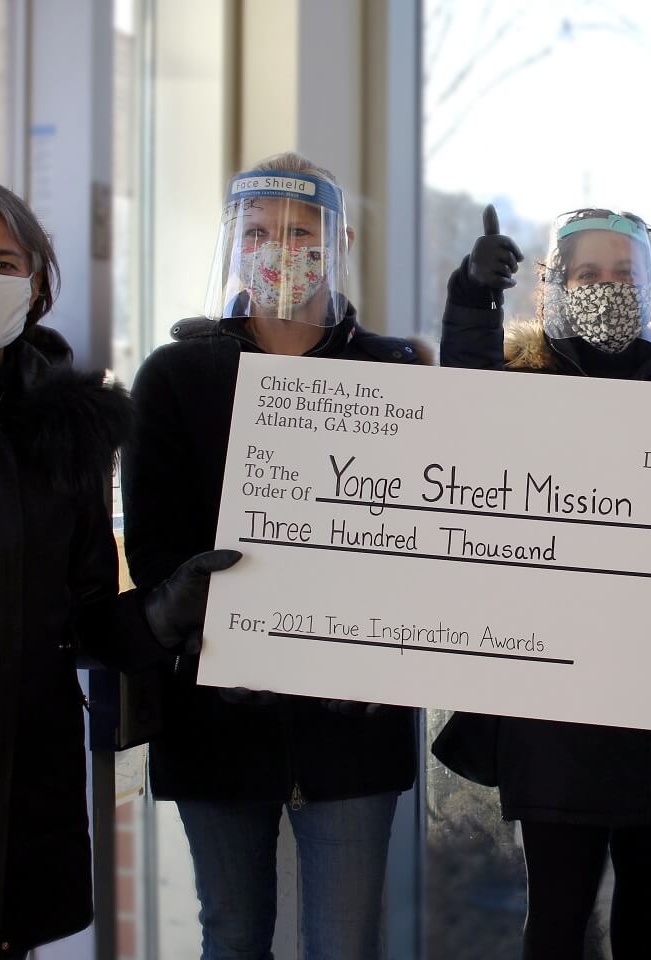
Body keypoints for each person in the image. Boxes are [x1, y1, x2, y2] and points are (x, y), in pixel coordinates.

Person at [0, 177, 231, 960]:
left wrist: (164, 612)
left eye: (2, 261)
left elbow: (86, 617)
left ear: (35, 284)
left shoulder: (66, 429)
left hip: (20, 789)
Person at [121, 152, 426, 960]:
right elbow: (154, 549)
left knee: (347, 943)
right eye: (257, 230)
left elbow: (432, 549)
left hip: (356, 727)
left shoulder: (396, 375)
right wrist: (189, 609)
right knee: (231, 933)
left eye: (299, 231)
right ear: (231, 239)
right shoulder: (174, 378)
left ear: (339, 241)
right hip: (214, 716)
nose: (278, 247)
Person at [436, 205, 651, 960]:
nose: (606, 288)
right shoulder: (517, 387)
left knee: (648, 897)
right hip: (553, 706)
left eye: (622, 275)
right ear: (554, 288)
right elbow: (460, 402)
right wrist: (471, 295)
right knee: (559, 910)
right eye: (588, 274)